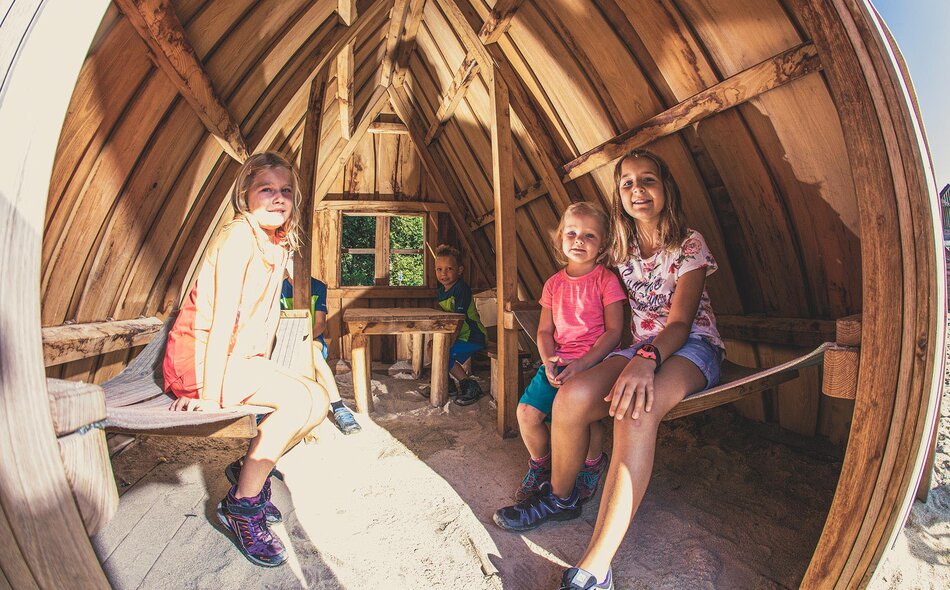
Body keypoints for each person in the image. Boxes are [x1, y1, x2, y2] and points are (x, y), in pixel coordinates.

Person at [493, 149, 724, 590]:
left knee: (636, 407)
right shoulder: (620, 248)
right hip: (638, 348)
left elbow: (679, 323)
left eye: (648, 180)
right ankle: (562, 498)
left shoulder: (689, 244)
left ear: (665, 188)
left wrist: (647, 360)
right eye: (627, 184)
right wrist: (600, 353)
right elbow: (579, 278)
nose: (638, 190)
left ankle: (596, 568)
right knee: (571, 397)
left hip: (691, 347)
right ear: (619, 196)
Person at [163, 152, 330, 567]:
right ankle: (241, 505)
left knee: (318, 399)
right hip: (201, 358)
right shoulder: (239, 236)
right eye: (266, 190)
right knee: (296, 403)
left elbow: (266, 317)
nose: (278, 199)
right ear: (245, 196)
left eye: (285, 192)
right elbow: (221, 320)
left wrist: (271, 367)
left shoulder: (274, 244)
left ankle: (246, 470)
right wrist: (210, 395)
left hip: (238, 359)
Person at [509, 202, 626, 505]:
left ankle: (592, 464)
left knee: (586, 418)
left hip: (595, 362)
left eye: (589, 236)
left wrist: (585, 362)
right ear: (560, 238)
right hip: (558, 362)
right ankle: (541, 464)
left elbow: (614, 332)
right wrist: (548, 361)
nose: (578, 241)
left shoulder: (606, 281)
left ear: (603, 245)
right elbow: (545, 331)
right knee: (526, 414)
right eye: (572, 233)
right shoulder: (554, 284)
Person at [281, 270, 361, 434]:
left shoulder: (317, 287)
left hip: (312, 338)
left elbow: (320, 324)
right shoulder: (278, 288)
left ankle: (338, 408)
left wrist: (303, 338)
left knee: (313, 355)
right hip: (284, 339)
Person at [433, 244, 488, 405]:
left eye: (449, 268)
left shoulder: (461, 289)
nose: (444, 273)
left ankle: (470, 385)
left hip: (473, 335)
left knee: (444, 353)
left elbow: (458, 320)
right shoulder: (441, 291)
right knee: (433, 347)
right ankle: (447, 384)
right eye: (439, 269)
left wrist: (449, 341)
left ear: (460, 270)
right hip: (461, 335)